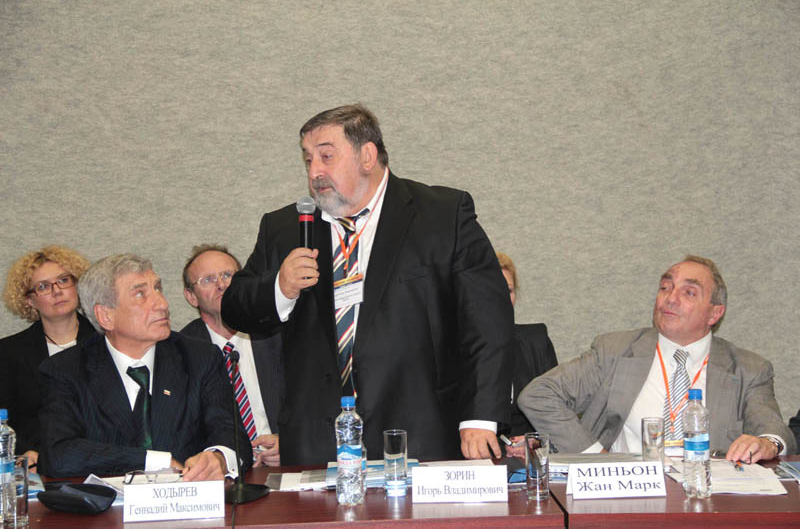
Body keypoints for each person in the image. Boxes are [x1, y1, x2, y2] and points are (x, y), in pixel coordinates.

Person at [221, 104, 514, 465]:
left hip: (421, 433)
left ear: (367, 156)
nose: (314, 171)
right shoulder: (285, 227)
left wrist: (479, 418)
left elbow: (487, 321)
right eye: (308, 159)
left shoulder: (441, 214)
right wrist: (280, 288)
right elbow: (234, 308)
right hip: (317, 443)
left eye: (326, 156)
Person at [519, 255, 795, 463]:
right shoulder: (615, 351)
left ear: (715, 313)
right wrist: (597, 460)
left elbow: (773, 430)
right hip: (628, 497)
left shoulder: (749, 369)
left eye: (689, 292)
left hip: (710, 499)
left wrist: (767, 444)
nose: (670, 299)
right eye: (665, 287)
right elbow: (539, 395)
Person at [37, 254, 252, 479]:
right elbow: (57, 455)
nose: (162, 304)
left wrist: (219, 457)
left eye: (157, 289)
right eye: (140, 294)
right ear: (106, 316)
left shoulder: (200, 358)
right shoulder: (65, 370)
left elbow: (233, 436)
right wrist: (151, 461)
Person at [180, 244, 283, 467]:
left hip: (284, 465)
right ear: (191, 296)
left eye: (228, 275)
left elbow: (311, 403)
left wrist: (289, 442)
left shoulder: (277, 334)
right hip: (222, 473)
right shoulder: (181, 353)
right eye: (208, 280)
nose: (221, 285)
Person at [0, 246, 96, 470]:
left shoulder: (108, 343)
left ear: (77, 286)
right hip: (36, 464)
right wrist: (23, 452)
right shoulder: (8, 352)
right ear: (29, 300)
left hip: (99, 464)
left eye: (64, 280)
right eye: (43, 286)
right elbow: (3, 419)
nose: (57, 291)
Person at [496, 252, 557, 437]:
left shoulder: (536, 341)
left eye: (509, 291)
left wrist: (535, 441)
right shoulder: (449, 347)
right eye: (494, 289)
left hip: (527, 449)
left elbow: (556, 409)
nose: (503, 298)